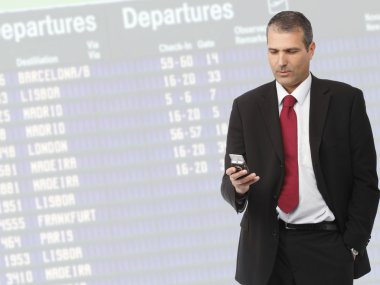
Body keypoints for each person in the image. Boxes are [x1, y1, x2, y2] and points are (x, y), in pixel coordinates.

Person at [221, 10, 379, 285]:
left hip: (328, 247)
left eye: (291, 51)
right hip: (265, 253)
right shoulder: (245, 107)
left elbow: (366, 180)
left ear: (311, 49)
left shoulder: (346, 100)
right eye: (273, 51)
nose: (280, 62)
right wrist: (237, 188)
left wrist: (352, 246)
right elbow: (229, 179)